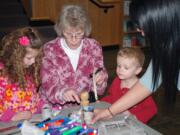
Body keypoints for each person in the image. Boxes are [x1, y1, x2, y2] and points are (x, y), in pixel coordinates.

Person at [92, 0, 180, 123]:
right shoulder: (166, 49)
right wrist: (109, 112)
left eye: (144, 27)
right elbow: (147, 84)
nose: (143, 34)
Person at [40, 4, 108, 109]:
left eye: (79, 33)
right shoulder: (50, 50)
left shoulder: (93, 47)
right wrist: (63, 93)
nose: (74, 39)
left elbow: (99, 90)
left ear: (85, 30)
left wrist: (100, 81)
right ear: (61, 30)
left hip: (84, 106)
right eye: (68, 33)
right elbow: (49, 86)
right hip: (55, 109)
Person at [100, 47, 157, 124]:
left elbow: (151, 109)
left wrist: (135, 117)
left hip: (134, 125)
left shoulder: (142, 88)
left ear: (137, 70)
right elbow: (112, 97)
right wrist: (101, 102)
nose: (120, 70)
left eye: (126, 68)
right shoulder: (117, 81)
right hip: (117, 121)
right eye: (119, 66)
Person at [0, 27, 44, 122]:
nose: (33, 61)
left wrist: (42, 106)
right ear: (16, 55)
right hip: (8, 124)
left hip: (29, 122)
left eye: (35, 58)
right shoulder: (2, 73)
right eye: (29, 58)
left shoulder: (27, 69)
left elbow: (33, 96)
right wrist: (12, 116)